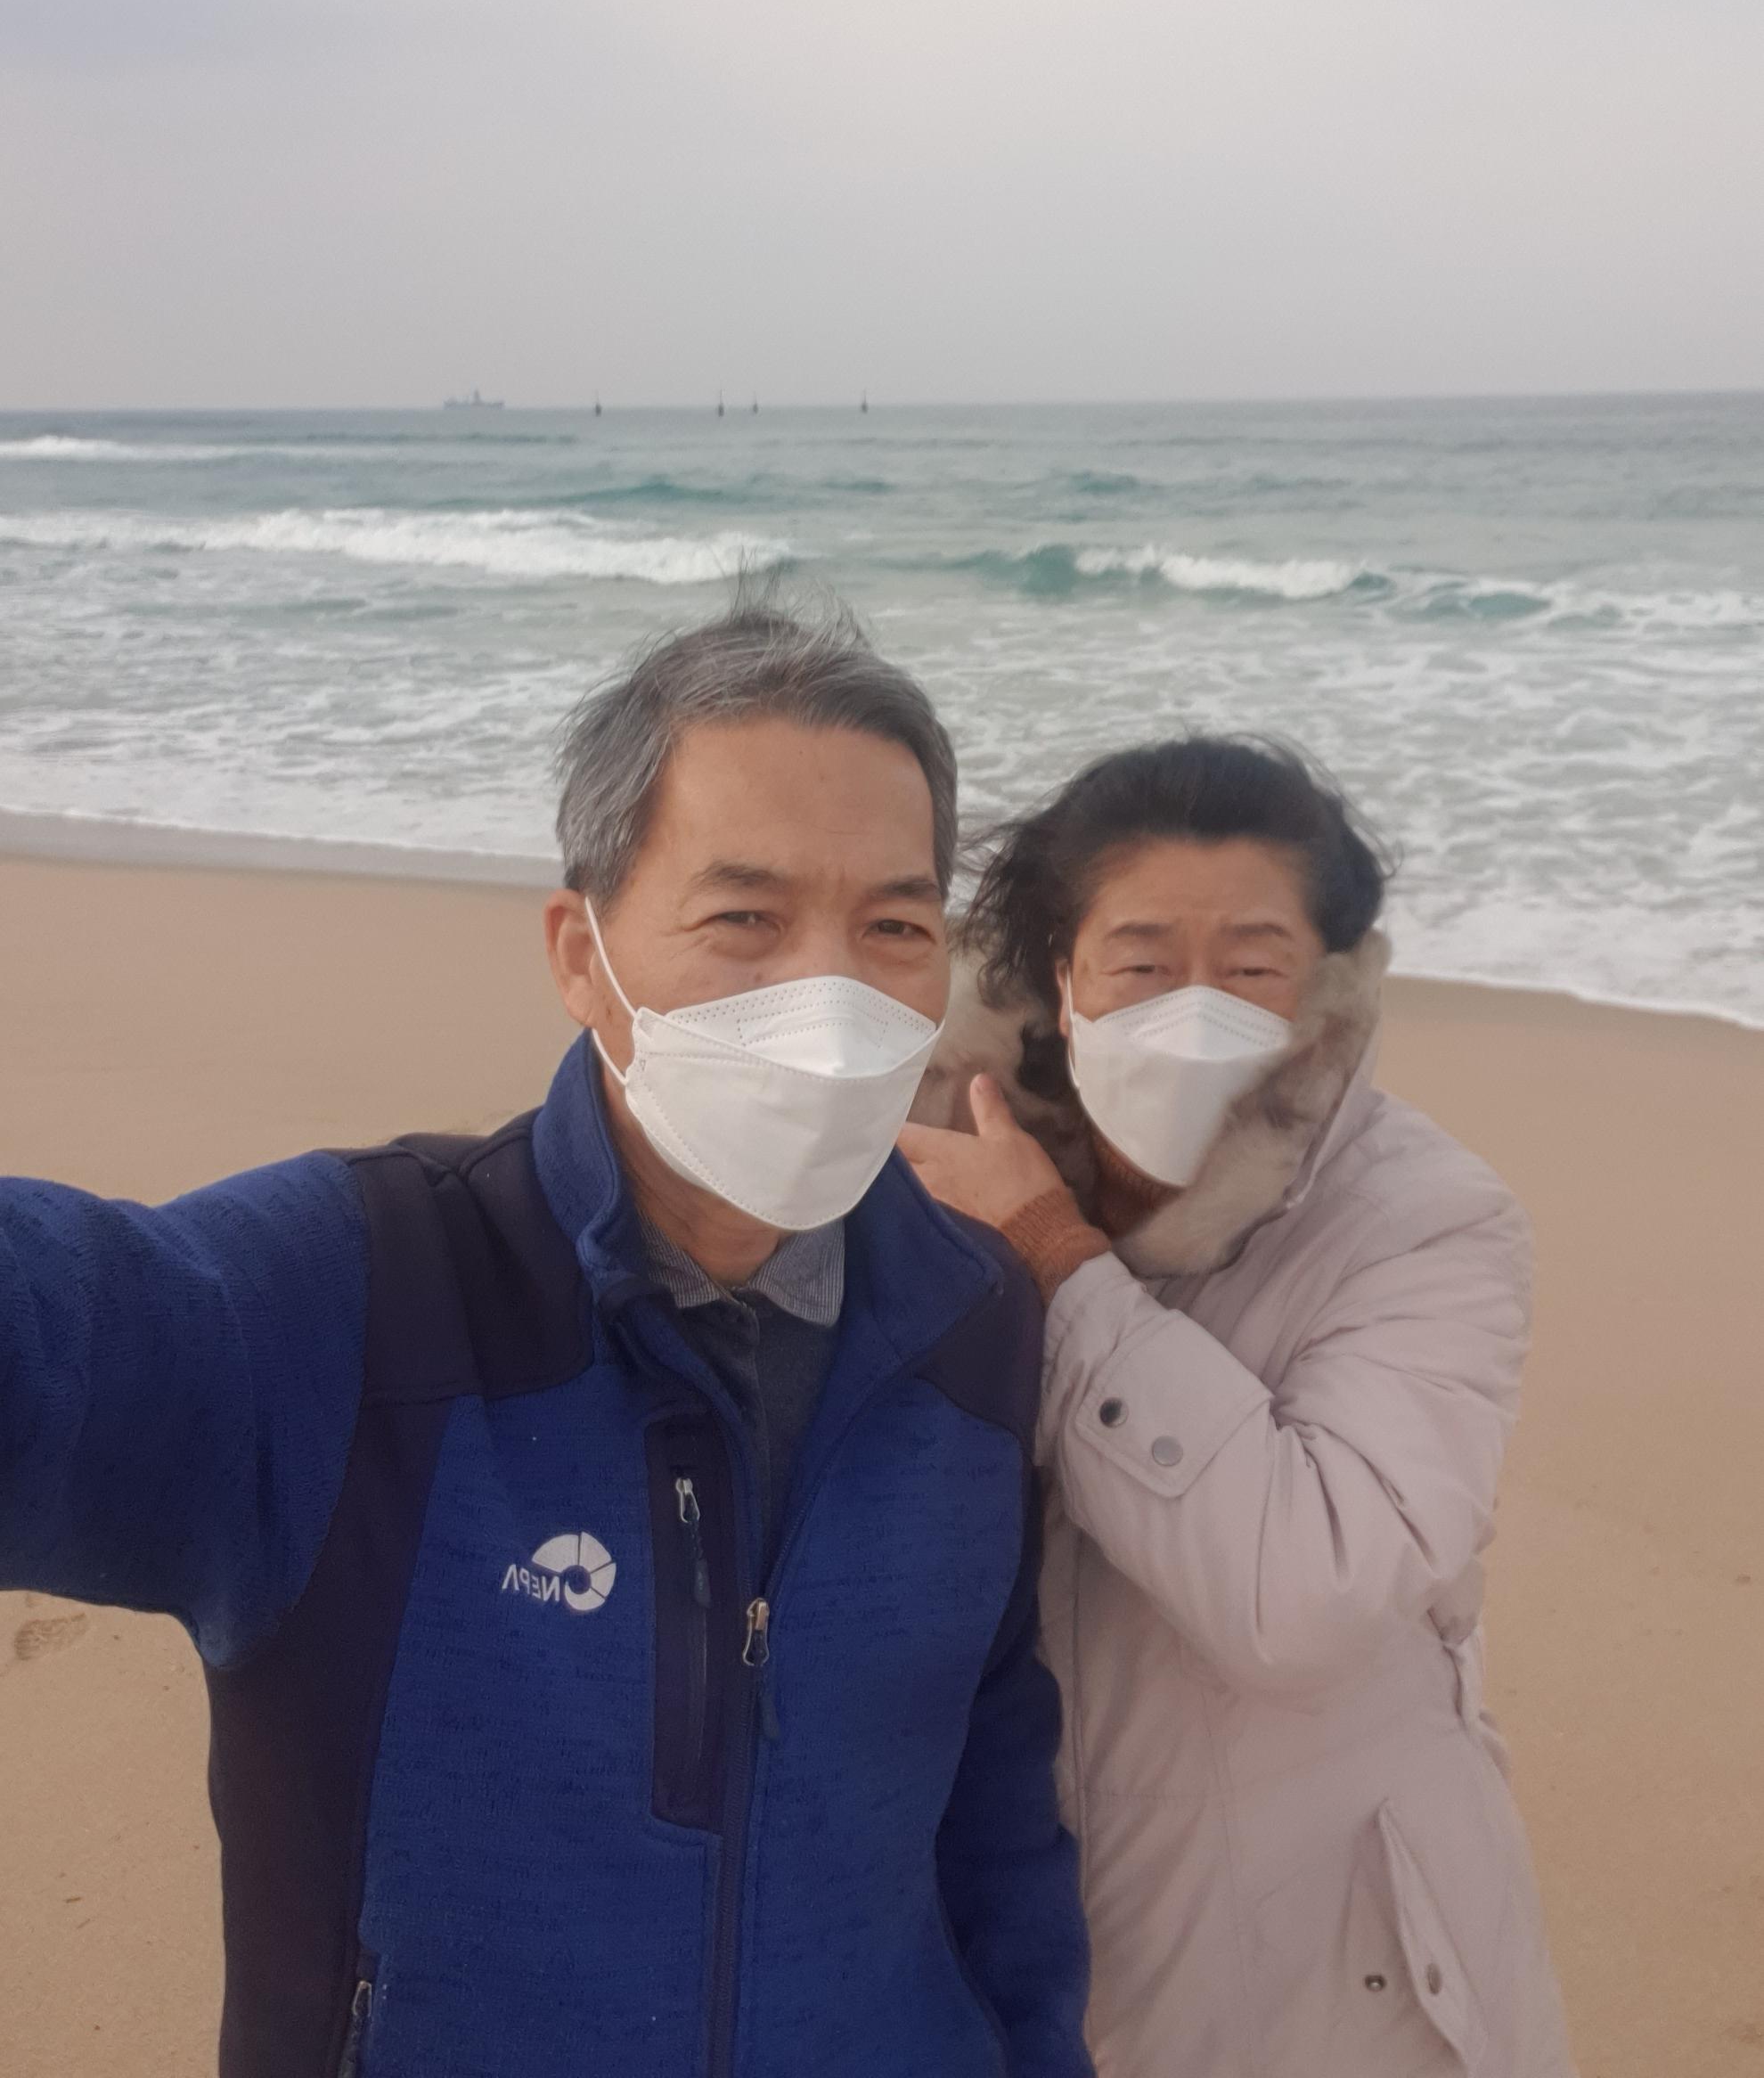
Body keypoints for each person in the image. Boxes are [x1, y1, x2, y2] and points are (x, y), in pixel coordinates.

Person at [0, 595, 1091, 2078]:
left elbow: (995, 1812)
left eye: (895, 927)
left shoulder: (973, 1326)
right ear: (583, 957)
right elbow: (63, 1334)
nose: (831, 998)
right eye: (745, 918)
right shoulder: (353, 1300)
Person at [902, 735, 1576, 2078]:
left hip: (1342, 1981)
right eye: (1143, 965)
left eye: (1254, 969)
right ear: (1062, 979)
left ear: (1325, 991)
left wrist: (1057, 1265)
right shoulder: (920, 1182)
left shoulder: (1426, 1223)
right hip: (1007, 1956)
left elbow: (1304, 1592)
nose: (1193, 1010)